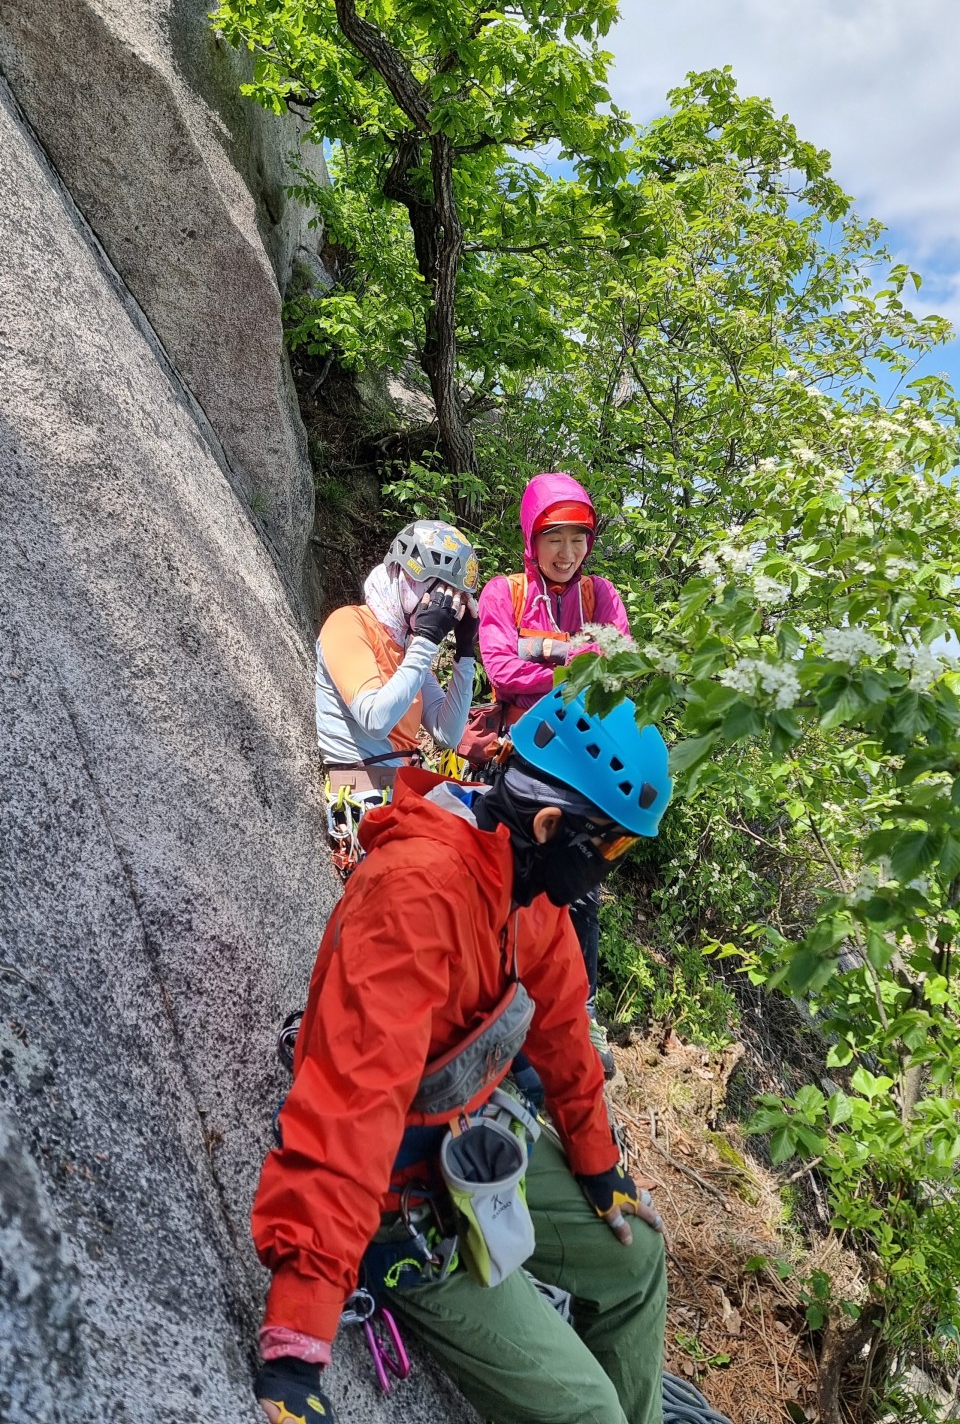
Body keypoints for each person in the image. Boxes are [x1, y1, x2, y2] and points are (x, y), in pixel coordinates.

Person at [251, 687, 672, 1424]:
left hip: (467, 1143)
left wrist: (598, 1163)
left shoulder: (523, 884)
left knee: (636, 1261)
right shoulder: (421, 898)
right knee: (589, 1412)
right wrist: (297, 1338)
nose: (612, 868)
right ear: (549, 823)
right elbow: (351, 1106)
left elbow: (565, 1026)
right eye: (611, 847)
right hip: (398, 1196)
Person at [477, 474, 631, 1077]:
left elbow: (620, 664)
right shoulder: (504, 593)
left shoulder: (601, 597)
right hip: (521, 757)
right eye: (553, 537)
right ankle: (492, 996)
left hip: (585, 765)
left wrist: (542, 658)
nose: (566, 553)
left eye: (578, 538)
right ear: (531, 537)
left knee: (581, 891)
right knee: (504, 876)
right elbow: (500, 667)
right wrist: (574, 662)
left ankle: (575, 1018)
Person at [315, 519, 480, 797]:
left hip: (403, 788)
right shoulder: (347, 623)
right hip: (363, 790)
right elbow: (375, 719)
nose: (442, 604)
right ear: (402, 574)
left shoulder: (408, 647)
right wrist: (426, 641)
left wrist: (465, 652)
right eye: (436, 589)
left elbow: (447, 733)